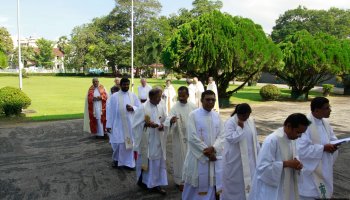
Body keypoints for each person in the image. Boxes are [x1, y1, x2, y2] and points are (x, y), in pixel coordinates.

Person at [249, 113, 311, 200]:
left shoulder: (292, 139)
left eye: (301, 133)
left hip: (287, 185)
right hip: (272, 189)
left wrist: (297, 162)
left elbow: (294, 155)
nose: (299, 136)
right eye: (298, 132)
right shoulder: (272, 140)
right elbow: (262, 168)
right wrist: (286, 164)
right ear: (289, 126)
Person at [182, 90, 225, 200]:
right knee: (194, 187)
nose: (211, 102)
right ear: (201, 100)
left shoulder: (217, 116)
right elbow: (191, 137)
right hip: (197, 158)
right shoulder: (193, 115)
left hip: (212, 158)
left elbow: (222, 135)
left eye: (213, 100)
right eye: (208, 99)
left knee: (211, 184)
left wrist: (214, 148)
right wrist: (206, 152)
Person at [297, 97, 339, 199]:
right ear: (316, 110)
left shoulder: (325, 123)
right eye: (327, 108)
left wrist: (335, 144)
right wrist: (323, 148)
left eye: (329, 107)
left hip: (324, 165)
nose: (330, 110)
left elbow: (332, 138)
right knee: (310, 195)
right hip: (311, 171)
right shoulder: (305, 125)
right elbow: (301, 150)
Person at [132, 88, 168, 195]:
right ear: (151, 97)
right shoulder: (142, 108)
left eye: (161, 97)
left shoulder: (161, 105)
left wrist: (163, 125)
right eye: (158, 97)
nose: (160, 99)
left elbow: (165, 119)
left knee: (157, 162)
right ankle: (146, 182)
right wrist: (146, 124)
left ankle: (155, 183)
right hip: (147, 140)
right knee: (148, 161)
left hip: (158, 139)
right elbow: (135, 125)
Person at [221, 103, 260, 200]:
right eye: (243, 116)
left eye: (248, 115)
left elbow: (254, 139)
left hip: (250, 159)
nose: (246, 118)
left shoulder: (250, 121)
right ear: (238, 114)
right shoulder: (230, 122)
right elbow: (230, 138)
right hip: (236, 160)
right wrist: (240, 128)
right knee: (236, 184)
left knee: (250, 182)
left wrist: (258, 154)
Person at [164, 86, 196, 191]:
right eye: (180, 95)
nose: (181, 98)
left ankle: (190, 179)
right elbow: (168, 119)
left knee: (191, 159)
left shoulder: (193, 106)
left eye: (183, 95)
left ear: (188, 95)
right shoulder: (175, 107)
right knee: (180, 159)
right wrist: (171, 121)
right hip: (179, 138)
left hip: (191, 138)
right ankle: (179, 181)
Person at [106, 78, 141, 169]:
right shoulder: (114, 96)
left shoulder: (133, 95)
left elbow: (140, 108)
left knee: (129, 143)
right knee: (119, 143)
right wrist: (109, 124)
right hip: (118, 124)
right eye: (124, 84)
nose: (126, 86)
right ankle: (117, 159)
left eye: (127, 85)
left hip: (129, 125)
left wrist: (133, 108)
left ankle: (129, 163)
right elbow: (110, 111)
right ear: (120, 85)